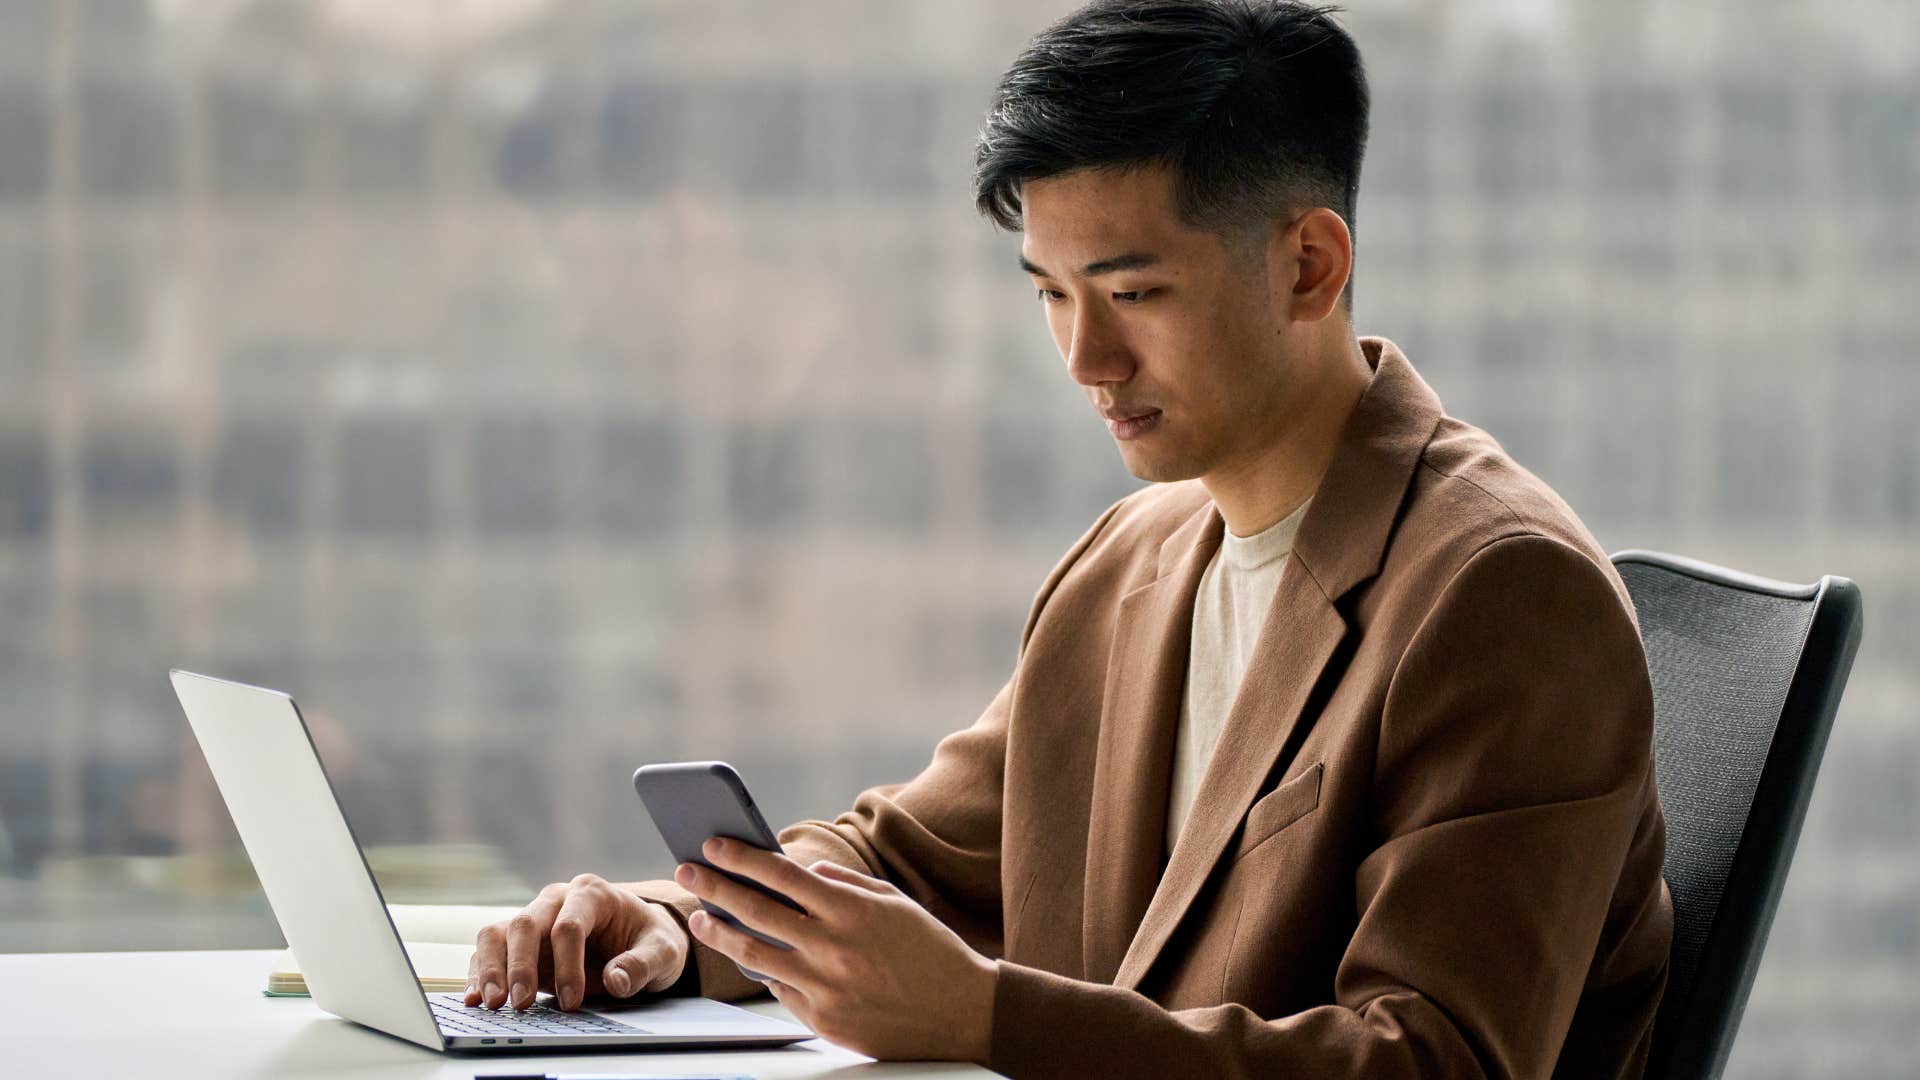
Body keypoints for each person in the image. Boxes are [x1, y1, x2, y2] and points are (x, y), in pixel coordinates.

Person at [466, 2, 1673, 1076]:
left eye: (1134, 293)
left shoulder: (1502, 591)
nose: (1087, 359)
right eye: (1050, 293)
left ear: (1309, 266)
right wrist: (679, 929)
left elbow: (1435, 1061)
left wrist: (988, 1019)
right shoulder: (1133, 559)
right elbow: (912, 857)